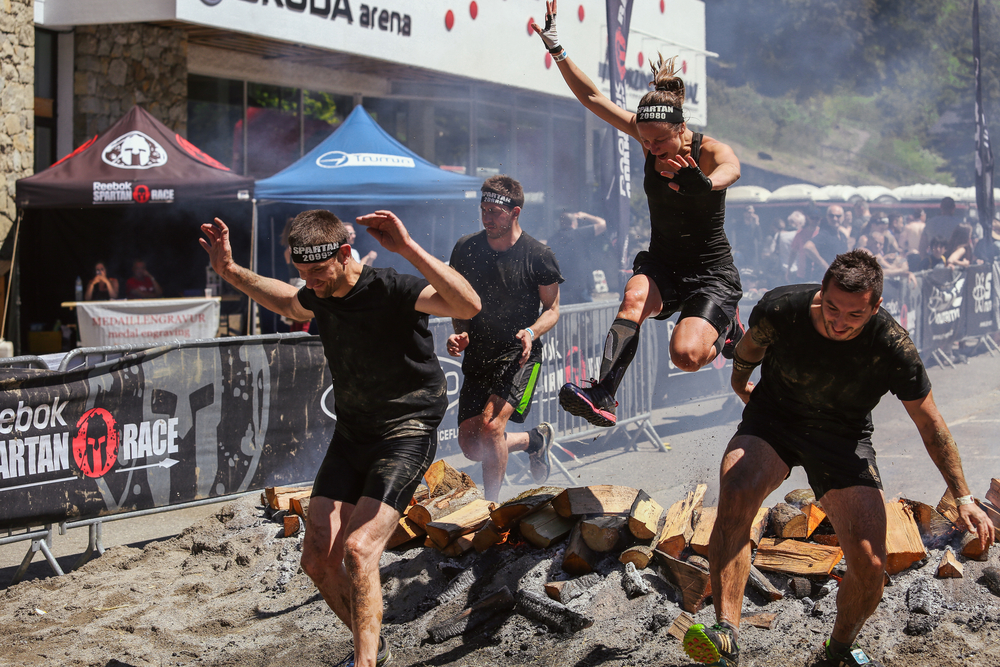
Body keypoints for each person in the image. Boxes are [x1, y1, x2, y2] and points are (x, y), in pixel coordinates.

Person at [683, 250, 994, 667]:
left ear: (875, 306)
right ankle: (726, 634)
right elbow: (751, 346)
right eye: (831, 307)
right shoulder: (783, 307)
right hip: (774, 419)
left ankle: (839, 650)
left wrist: (965, 496)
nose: (839, 321)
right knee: (736, 493)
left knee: (869, 561)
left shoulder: (892, 345)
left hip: (842, 438)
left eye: (854, 314)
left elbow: (930, 424)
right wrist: (741, 385)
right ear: (821, 292)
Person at [200, 208, 480, 667]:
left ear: (344, 253)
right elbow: (288, 303)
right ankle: (374, 646)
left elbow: (467, 307)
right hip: (352, 434)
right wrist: (229, 270)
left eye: (317, 271)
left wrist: (407, 247)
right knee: (316, 561)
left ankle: (364, 662)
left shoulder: (391, 287)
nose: (309, 282)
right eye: (301, 272)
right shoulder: (318, 294)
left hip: (405, 432)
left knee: (358, 548)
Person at [531, 1, 744, 428]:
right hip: (663, 264)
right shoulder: (647, 133)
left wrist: (707, 183)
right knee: (631, 298)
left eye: (658, 142)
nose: (650, 149)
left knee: (685, 356)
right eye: (643, 141)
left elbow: (731, 168)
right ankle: (604, 393)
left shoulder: (707, 149)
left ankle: (730, 330)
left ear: (682, 129)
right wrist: (557, 50)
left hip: (710, 273)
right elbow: (592, 96)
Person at [448, 175, 562, 502]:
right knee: (471, 445)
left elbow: (552, 308)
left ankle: (490, 507)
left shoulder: (538, 254)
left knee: (491, 427)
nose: (486, 218)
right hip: (479, 353)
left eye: (494, 212)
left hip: (519, 355)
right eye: (483, 210)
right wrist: (460, 335)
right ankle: (534, 441)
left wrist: (531, 331)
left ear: (515, 212)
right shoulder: (466, 248)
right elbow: (457, 300)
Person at [547, 209, 607, 305]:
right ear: (574, 223)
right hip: (582, 287)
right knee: (588, 316)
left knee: (566, 317)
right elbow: (603, 224)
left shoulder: (552, 240)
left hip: (563, 288)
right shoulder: (580, 234)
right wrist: (585, 215)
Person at [800, 205, 850, 281]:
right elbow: (808, 247)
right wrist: (825, 266)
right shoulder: (825, 234)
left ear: (843, 217)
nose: (835, 218)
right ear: (827, 217)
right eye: (831, 216)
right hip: (823, 279)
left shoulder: (842, 236)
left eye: (838, 216)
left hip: (838, 279)